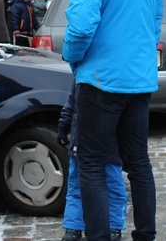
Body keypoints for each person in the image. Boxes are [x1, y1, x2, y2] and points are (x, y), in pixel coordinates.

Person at [62, 0, 162, 241]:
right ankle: (145, 235)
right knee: (138, 164)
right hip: (139, 80)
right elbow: (154, 24)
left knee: (90, 164)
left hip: (101, 81)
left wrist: (71, 55)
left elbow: (82, 25)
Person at [57, 82, 127, 241]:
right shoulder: (84, 77)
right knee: (79, 186)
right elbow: (71, 103)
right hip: (90, 145)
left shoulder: (87, 77)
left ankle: (107, 225)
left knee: (106, 186)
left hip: (102, 147)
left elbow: (70, 105)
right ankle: (77, 227)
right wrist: (63, 126)